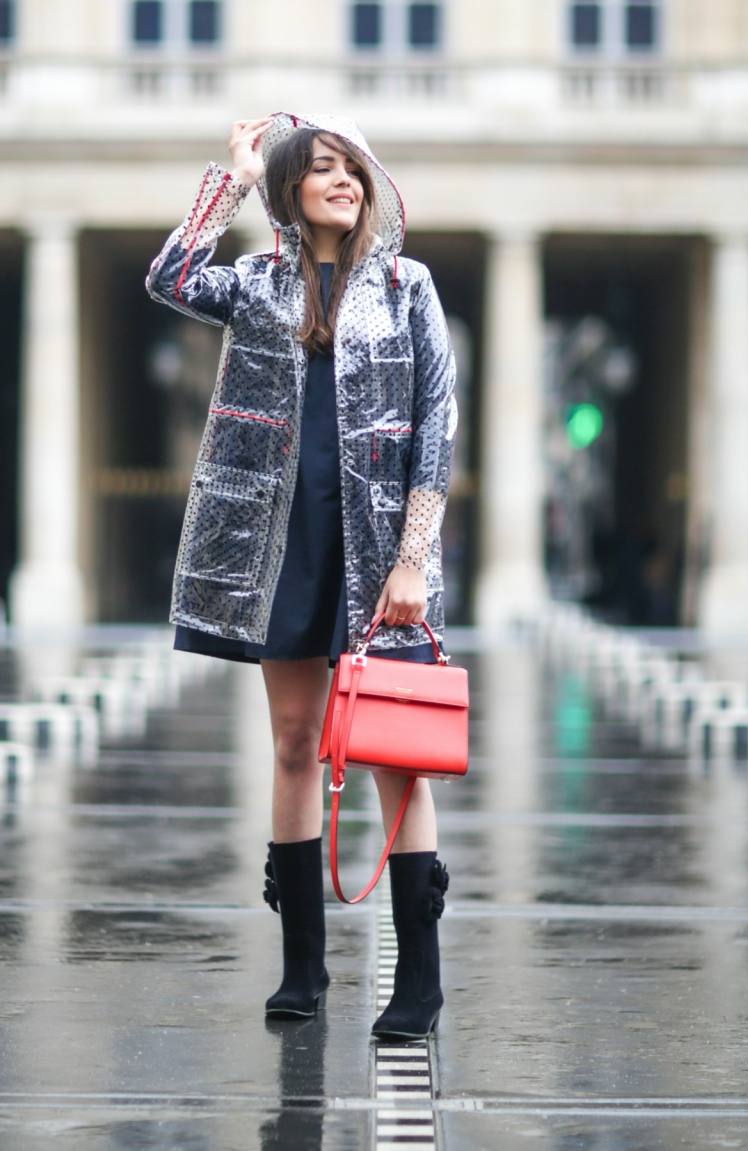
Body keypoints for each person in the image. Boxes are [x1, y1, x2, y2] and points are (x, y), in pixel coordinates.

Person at [146, 112, 457, 1041]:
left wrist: (414, 560)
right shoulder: (256, 284)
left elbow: (436, 428)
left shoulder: (408, 287)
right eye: (322, 169)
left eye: (353, 168)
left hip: (378, 554)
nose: (343, 181)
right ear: (291, 191)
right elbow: (169, 278)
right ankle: (303, 971)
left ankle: (419, 984)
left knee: (394, 755)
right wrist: (232, 177)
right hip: (282, 547)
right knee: (294, 741)